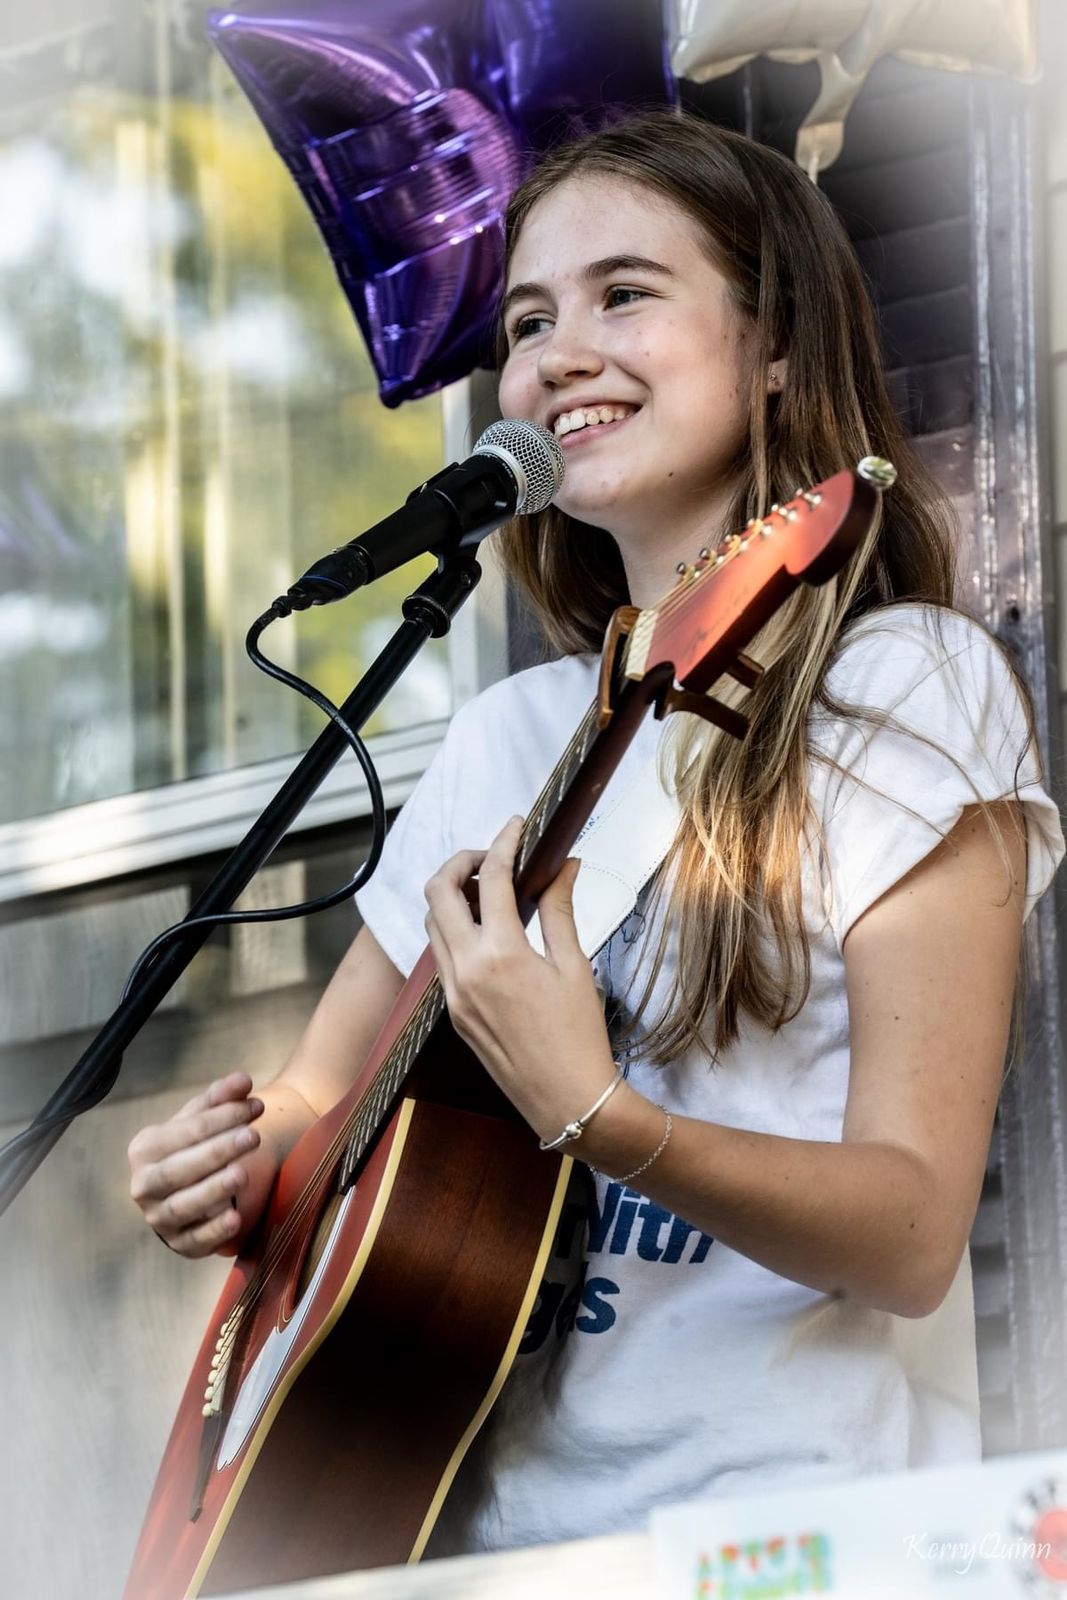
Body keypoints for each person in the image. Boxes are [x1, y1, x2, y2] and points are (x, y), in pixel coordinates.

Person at [128, 110, 1064, 1554]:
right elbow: (320, 1101)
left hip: (778, 1531)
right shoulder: (506, 736)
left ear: (776, 348)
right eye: (528, 321)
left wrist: (601, 1117)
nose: (559, 355)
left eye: (625, 293)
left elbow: (913, 1234)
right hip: (476, 1539)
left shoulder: (907, 687)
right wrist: (238, 1170)